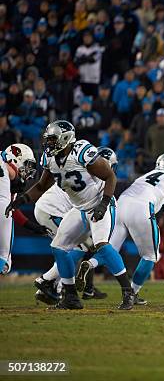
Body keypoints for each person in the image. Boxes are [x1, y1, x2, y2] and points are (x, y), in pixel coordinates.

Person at [5, 121, 134, 310]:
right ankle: (70, 296)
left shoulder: (81, 152)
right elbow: (41, 187)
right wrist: (21, 201)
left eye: (52, 139)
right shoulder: (50, 159)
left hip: (100, 203)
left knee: (101, 245)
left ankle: (127, 291)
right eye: (47, 139)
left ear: (65, 138)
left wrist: (104, 204)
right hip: (79, 208)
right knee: (58, 247)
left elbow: (110, 177)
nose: (48, 143)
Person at [79, 153, 164, 305]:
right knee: (151, 256)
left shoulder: (148, 176)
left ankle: (90, 264)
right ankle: (133, 293)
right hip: (142, 207)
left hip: (121, 204)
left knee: (110, 250)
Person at [32, 147, 118, 304]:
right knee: (74, 247)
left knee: (82, 246)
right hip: (52, 211)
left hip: (53, 209)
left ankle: (72, 287)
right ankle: (49, 282)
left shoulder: (83, 171)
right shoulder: (89, 176)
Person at [0, 144, 37, 275]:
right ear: (15, 158)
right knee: (4, 261)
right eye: (27, 165)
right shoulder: (3, 163)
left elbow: (10, 209)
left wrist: (31, 226)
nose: (28, 170)